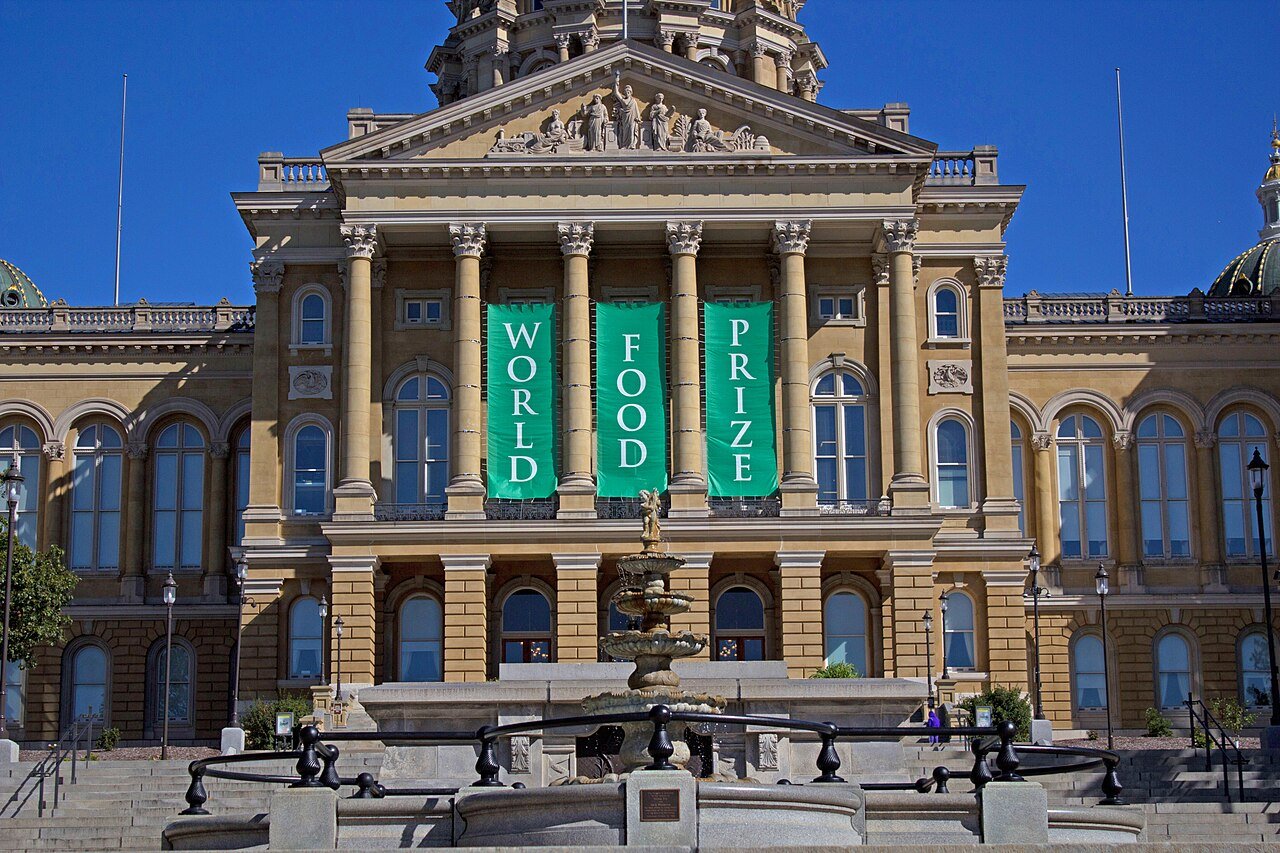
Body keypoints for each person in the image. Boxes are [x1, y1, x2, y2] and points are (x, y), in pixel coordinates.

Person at [613, 72, 642, 149]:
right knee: (625, 131)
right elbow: (616, 93)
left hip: (632, 119)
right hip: (625, 118)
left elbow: (636, 110)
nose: (627, 93)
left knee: (632, 130)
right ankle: (625, 145)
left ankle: (631, 145)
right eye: (626, 92)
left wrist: (638, 118)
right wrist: (617, 80)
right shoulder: (623, 100)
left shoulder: (633, 101)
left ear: (631, 93)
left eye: (629, 92)